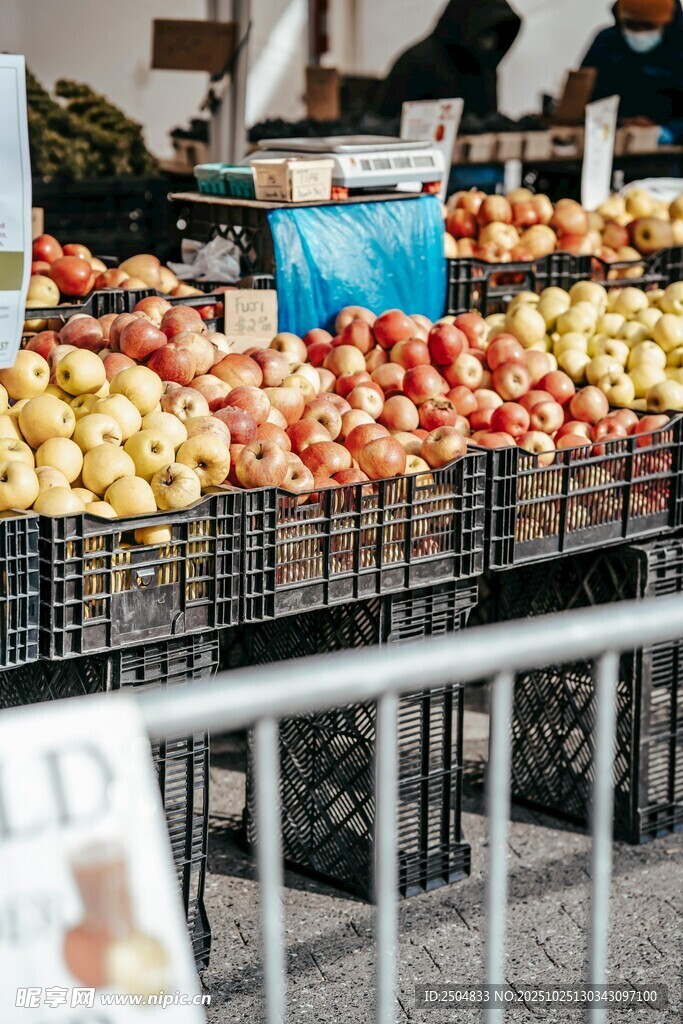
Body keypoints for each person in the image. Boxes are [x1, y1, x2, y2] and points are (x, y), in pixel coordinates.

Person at [372, 0, 522, 120]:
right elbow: (385, 120)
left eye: (495, 33)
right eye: (486, 32)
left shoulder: (484, 67)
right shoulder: (419, 61)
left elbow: (487, 120)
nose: (490, 42)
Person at [581, 0, 683, 125]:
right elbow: (583, 93)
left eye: (648, 26)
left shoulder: (679, 46)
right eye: (631, 25)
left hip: (670, 135)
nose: (639, 33)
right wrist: (618, 122)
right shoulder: (607, 42)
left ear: (667, 24)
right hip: (612, 130)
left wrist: (670, 131)